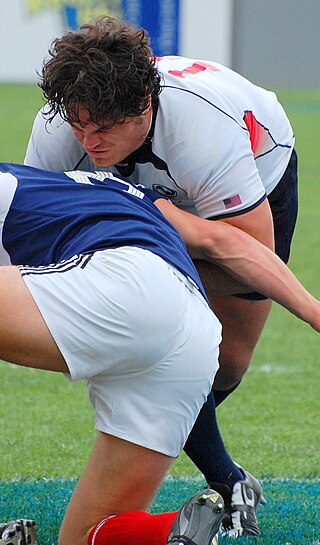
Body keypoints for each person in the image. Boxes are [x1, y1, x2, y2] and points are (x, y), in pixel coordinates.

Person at [23, 16, 309, 534]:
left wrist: (312, 312)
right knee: (164, 343)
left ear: (145, 106)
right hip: (144, 205)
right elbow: (37, 234)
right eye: (78, 126)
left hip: (253, 176)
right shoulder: (60, 122)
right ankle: (226, 478)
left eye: (104, 128)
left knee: (223, 363)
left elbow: (241, 251)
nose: (88, 142)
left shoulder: (204, 129)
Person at [0, 163, 319, 545]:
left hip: (127, 285)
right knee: (87, 535)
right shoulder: (130, 192)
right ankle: (170, 532)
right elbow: (224, 242)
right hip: (194, 332)